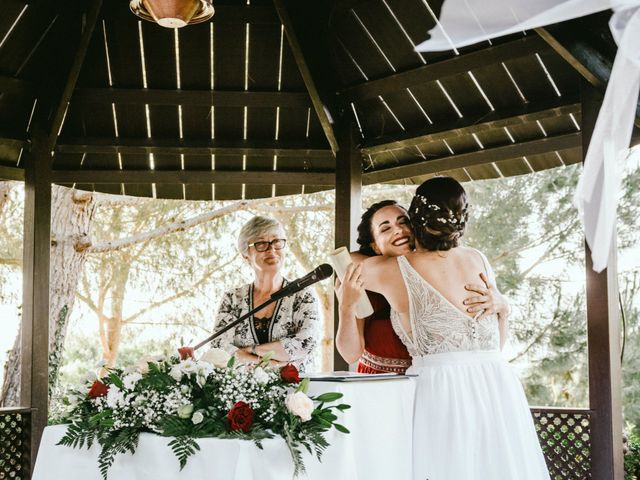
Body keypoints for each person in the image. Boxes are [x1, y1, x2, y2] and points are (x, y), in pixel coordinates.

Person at [358, 178, 549, 479]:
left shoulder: (393, 269)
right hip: (497, 385)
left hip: (439, 390)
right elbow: (495, 346)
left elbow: (344, 265)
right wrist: (505, 308)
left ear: (415, 218)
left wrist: (376, 247)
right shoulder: (478, 259)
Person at [335, 200, 509, 374]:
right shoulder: (361, 283)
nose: (398, 230)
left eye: (404, 222)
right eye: (385, 228)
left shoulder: (446, 269)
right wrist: (346, 307)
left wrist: (503, 308)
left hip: (434, 380)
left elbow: (483, 345)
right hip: (379, 385)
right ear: (375, 246)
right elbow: (350, 354)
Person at [211, 216, 320, 372]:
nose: (272, 249)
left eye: (277, 242)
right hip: (242, 391)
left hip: (296, 391)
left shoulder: (303, 295)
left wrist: (251, 350)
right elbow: (219, 347)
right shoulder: (232, 298)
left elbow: (305, 344)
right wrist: (275, 364)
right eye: (261, 244)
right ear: (245, 255)